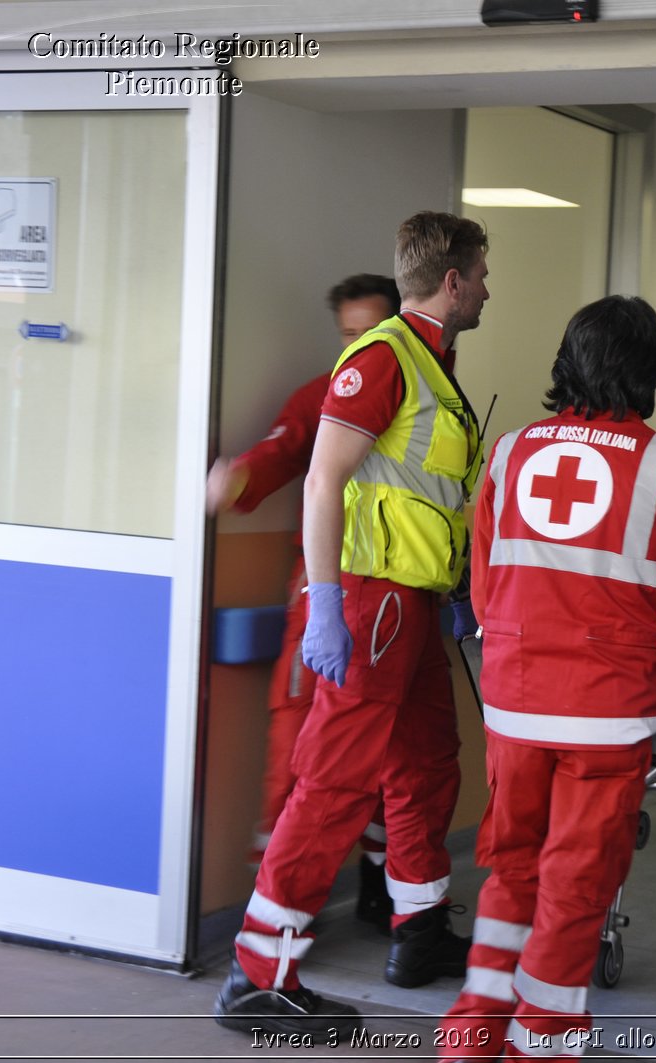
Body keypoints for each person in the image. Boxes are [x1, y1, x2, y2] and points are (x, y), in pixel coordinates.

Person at [215, 212, 491, 1037]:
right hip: (370, 604)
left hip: (413, 606)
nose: (486, 287)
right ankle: (260, 974)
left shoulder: (432, 367)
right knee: (333, 783)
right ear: (451, 280)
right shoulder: (383, 359)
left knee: (427, 766)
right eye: (480, 272)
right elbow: (322, 479)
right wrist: (327, 603)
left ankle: (418, 929)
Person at [439, 296, 656, 1059]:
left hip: (516, 704)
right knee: (573, 883)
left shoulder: (508, 452)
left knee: (510, 868)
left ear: (568, 363)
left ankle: (472, 1032)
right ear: (649, 374)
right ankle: (544, 1039)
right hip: (607, 715)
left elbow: (488, 587)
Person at [206, 273, 402, 931]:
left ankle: (384, 895)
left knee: (396, 756)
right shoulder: (327, 394)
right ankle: (276, 921)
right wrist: (235, 482)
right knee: (296, 747)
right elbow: (283, 450)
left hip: (400, 602)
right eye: (348, 333)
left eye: (371, 331)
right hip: (324, 591)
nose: (358, 345)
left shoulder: (432, 401)